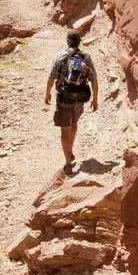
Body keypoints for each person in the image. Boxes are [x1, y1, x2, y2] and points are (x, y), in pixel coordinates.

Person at [45, 30, 98, 173]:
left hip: (64, 97)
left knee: (64, 129)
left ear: (68, 41)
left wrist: (47, 93)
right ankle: (70, 150)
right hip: (80, 97)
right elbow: (93, 79)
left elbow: (51, 76)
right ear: (80, 41)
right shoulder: (86, 57)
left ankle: (68, 162)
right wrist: (95, 99)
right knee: (74, 123)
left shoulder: (61, 56)